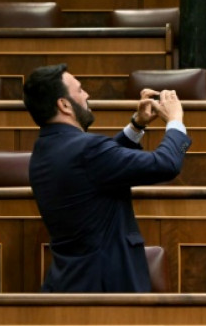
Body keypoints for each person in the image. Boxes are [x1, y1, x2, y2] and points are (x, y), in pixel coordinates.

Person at [23, 63, 191, 292]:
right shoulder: (86, 150)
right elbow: (166, 165)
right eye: (80, 90)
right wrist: (175, 122)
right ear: (64, 105)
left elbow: (98, 168)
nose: (87, 95)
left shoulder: (43, 151)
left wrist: (137, 125)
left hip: (69, 284)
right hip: (107, 292)